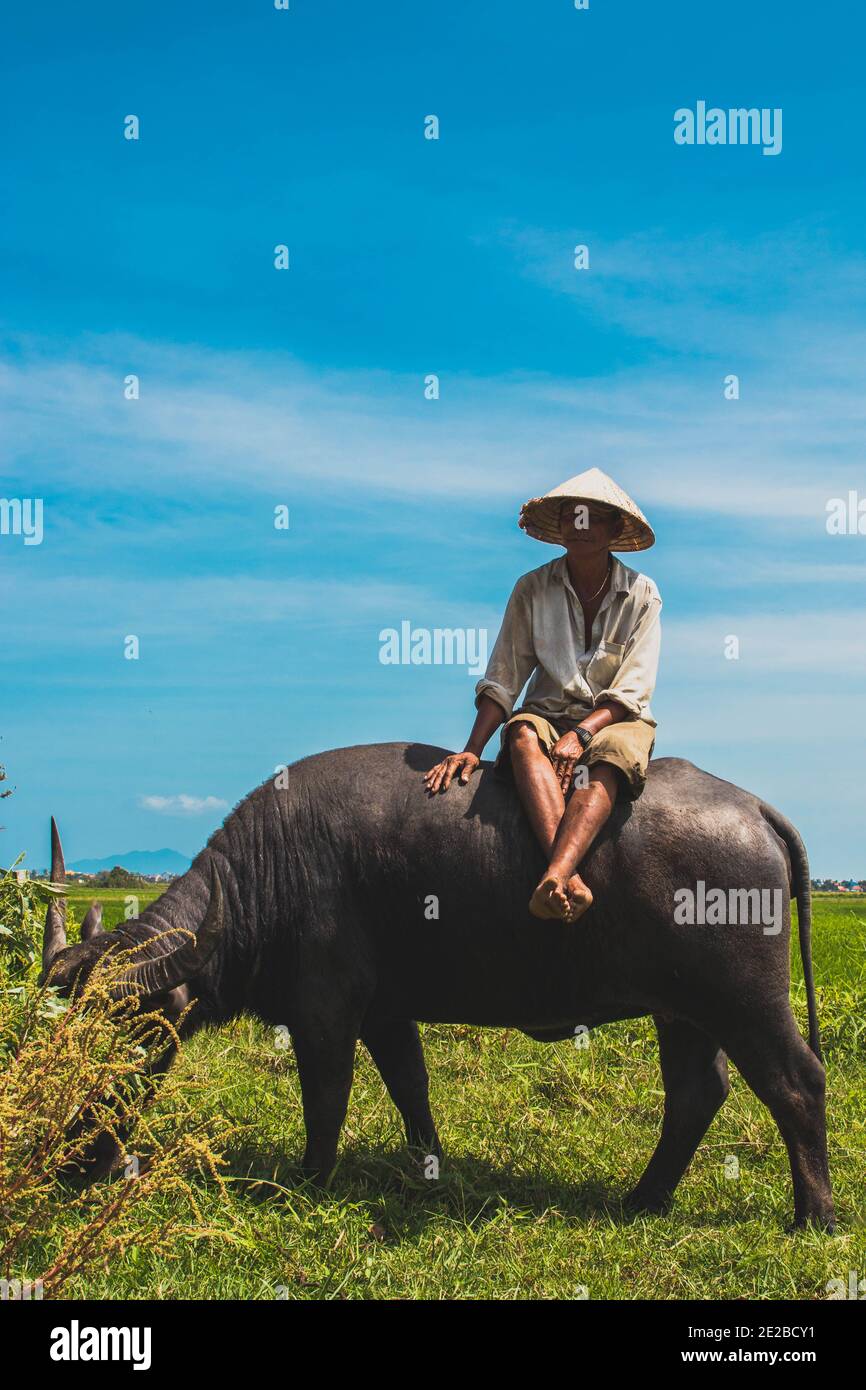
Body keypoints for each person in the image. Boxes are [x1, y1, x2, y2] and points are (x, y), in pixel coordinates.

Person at [424, 468, 661, 923]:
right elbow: (504, 676)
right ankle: (565, 879)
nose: (581, 524)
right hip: (548, 714)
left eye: (594, 516)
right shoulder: (532, 588)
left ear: (614, 529)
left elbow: (633, 686)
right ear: (560, 528)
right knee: (521, 734)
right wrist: (472, 749)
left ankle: (554, 871)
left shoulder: (642, 594)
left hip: (616, 717)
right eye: (572, 515)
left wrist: (583, 735)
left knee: (610, 760)